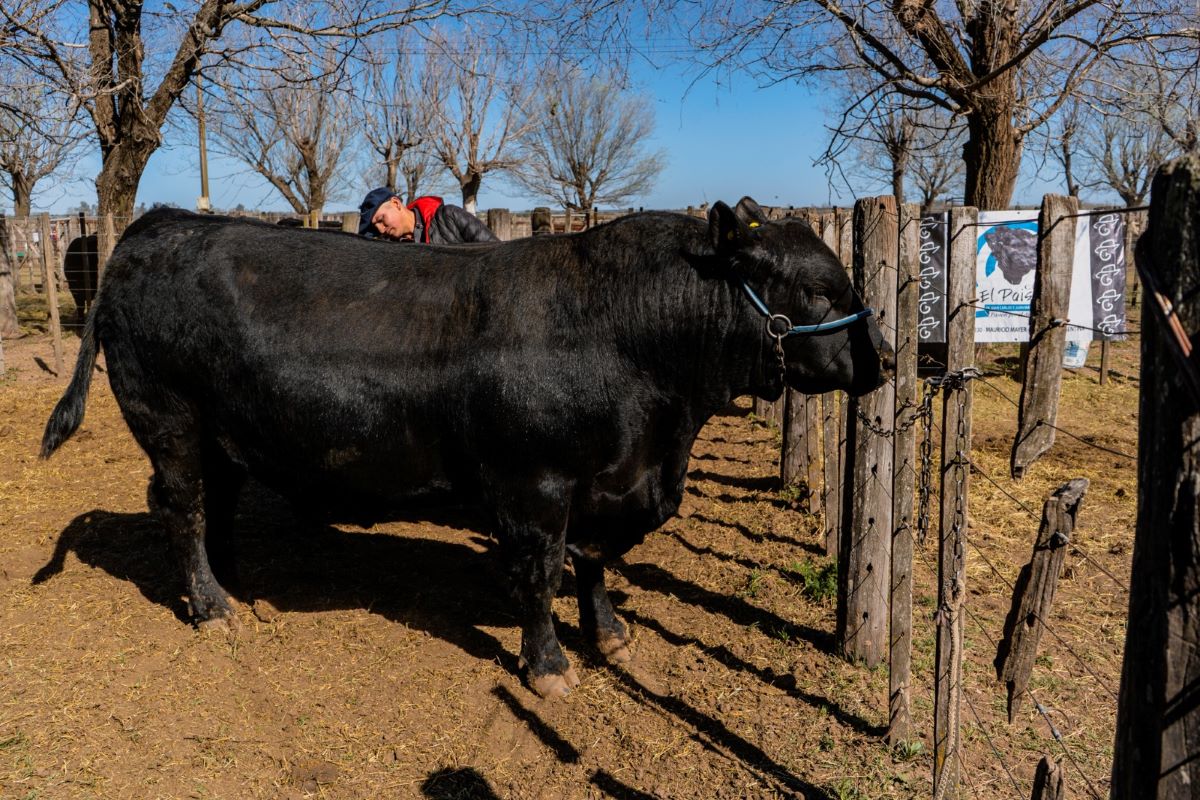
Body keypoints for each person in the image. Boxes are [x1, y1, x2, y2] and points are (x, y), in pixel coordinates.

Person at [357, 187, 498, 244]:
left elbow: (497, 254)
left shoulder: (450, 217)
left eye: (381, 220)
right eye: (375, 228)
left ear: (396, 203)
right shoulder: (393, 250)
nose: (381, 230)